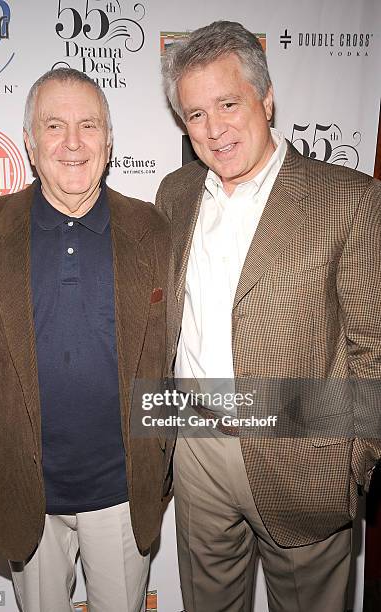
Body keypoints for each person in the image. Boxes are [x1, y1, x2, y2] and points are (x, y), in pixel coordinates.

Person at [156, 20, 381, 612]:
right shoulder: (174, 194)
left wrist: (350, 456)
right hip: (197, 445)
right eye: (195, 114)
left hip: (306, 451)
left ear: (267, 97)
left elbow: (372, 342)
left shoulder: (348, 198)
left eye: (228, 103)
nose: (214, 128)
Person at [0, 67, 172, 612]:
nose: (73, 143)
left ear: (109, 141)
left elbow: (168, 354)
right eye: (54, 126)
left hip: (123, 491)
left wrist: (163, 456)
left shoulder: (154, 230)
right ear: (28, 141)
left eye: (89, 125)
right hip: (23, 487)